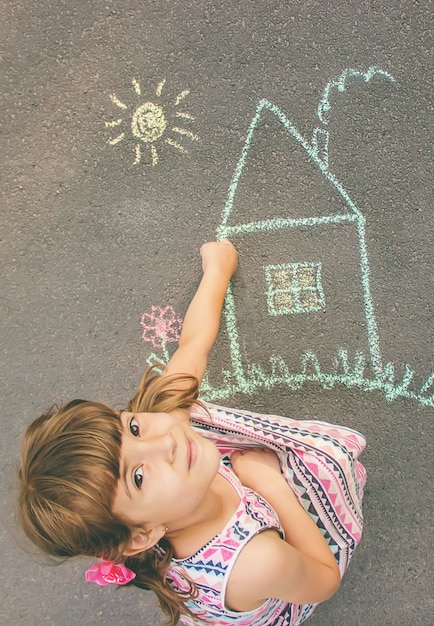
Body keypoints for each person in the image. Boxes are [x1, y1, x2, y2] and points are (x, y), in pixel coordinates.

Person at [18, 240, 366, 626]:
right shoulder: (256, 562)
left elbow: (193, 344)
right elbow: (323, 579)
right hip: (276, 578)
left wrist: (217, 272)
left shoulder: (163, 441)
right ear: (141, 536)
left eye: (132, 428)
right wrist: (271, 485)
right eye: (138, 476)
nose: (161, 441)